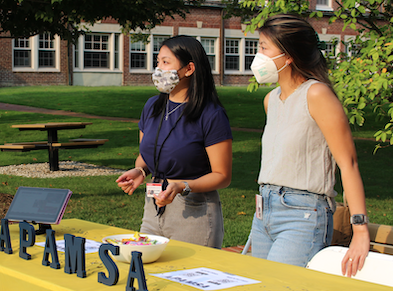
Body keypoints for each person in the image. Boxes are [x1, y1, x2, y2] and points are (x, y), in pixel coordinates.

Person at [248, 14, 370, 275]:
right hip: (264, 211)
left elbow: (348, 163)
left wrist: (360, 230)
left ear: (288, 56)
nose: (258, 56)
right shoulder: (271, 100)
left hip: (303, 214)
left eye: (264, 48)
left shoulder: (317, 94)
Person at [116, 35, 232, 248]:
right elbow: (147, 153)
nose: (159, 69)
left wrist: (183, 186)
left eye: (166, 62)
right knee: (145, 271)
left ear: (189, 69)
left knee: (189, 278)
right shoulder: (152, 107)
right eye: (158, 61)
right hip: (153, 208)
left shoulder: (211, 114)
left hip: (193, 212)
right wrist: (140, 171)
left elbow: (222, 176)